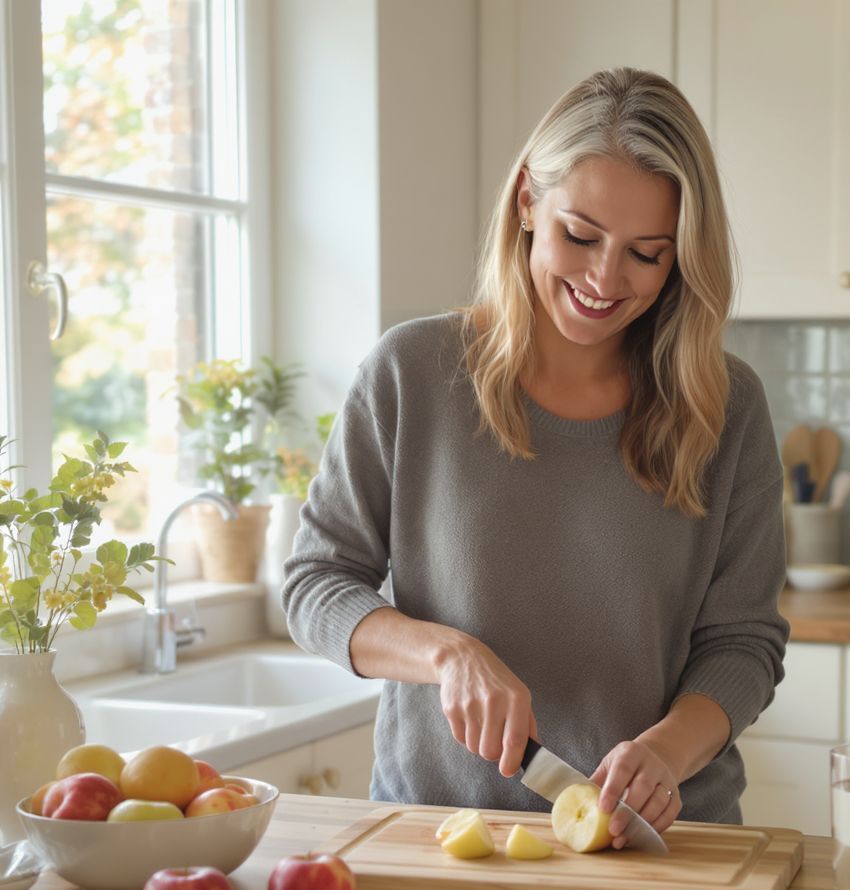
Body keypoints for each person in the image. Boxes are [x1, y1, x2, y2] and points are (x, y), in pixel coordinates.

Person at [283, 67, 789, 843]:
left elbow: (743, 644)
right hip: (444, 834)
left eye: (646, 254)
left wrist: (666, 752)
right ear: (527, 200)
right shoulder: (411, 373)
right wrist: (445, 654)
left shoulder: (726, 405)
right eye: (580, 236)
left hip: (662, 840)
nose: (603, 279)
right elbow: (315, 585)